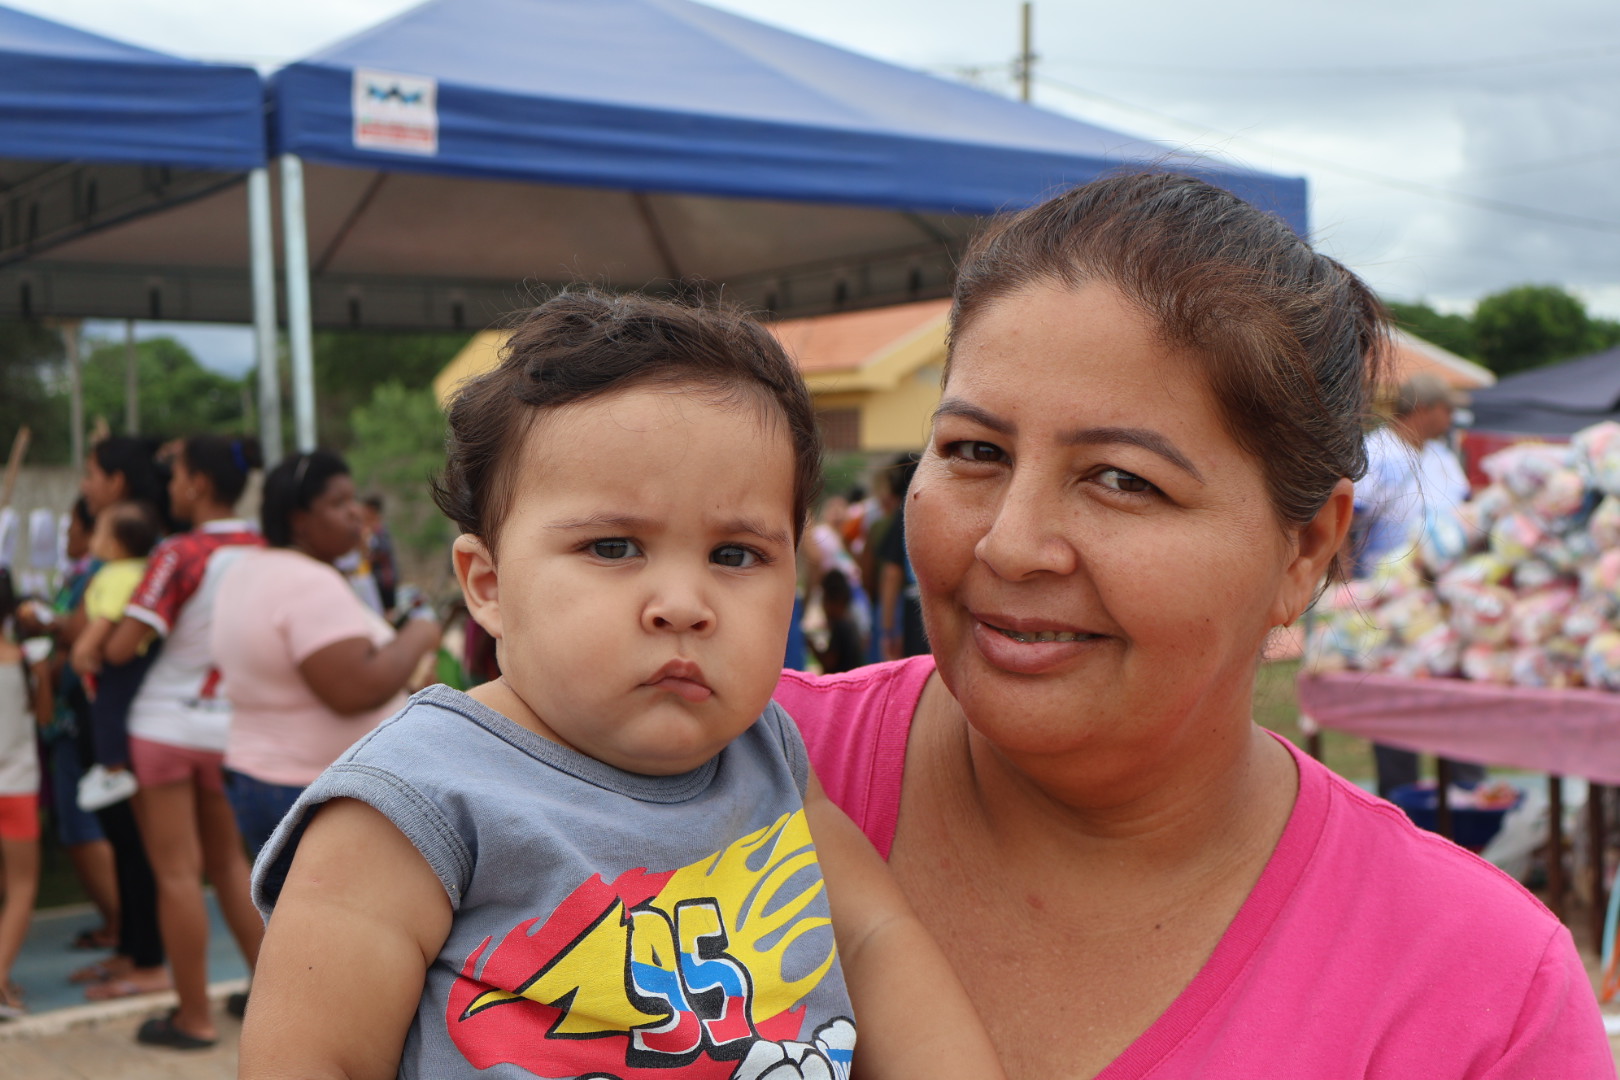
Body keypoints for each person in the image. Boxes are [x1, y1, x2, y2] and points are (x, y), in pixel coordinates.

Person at [772, 172, 1612, 1077]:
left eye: (1124, 479)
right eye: (975, 452)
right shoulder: (707, 768)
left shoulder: (1482, 994)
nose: (1011, 545)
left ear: (1305, 552)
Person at [243, 290, 1005, 1080]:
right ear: (489, 585)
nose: (683, 605)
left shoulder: (766, 754)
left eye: (736, 556)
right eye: (613, 547)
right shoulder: (420, 797)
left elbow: (874, 941)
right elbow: (312, 1057)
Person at [102, 434, 266, 1049]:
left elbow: (122, 647)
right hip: (230, 728)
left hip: (165, 726)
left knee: (176, 875)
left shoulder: (180, 551)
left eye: (175, 478)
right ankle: (267, 997)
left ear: (197, 484)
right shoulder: (265, 548)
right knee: (231, 866)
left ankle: (192, 1017)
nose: (169, 488)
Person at [212, 450, 440, 857]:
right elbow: (354, 689)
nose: (356, 514)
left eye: (353, 500)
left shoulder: (248, 569)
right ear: (298, 519)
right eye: (338, 504)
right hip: (315, 789)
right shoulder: (307, 581)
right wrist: (421, 633)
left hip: (264, 777)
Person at [1354, 372, 1480, 796]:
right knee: (1396, 700)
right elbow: (1344, 522)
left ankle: (1465, 791)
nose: (1452, 418)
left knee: (1458, 696)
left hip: (1450, 599)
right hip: (1391, 601)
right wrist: (1347, 591)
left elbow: (1465, 511)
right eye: (1448, 409)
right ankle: (1398, 796)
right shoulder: (1374, 454)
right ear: (1425, 410)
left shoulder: (1442, 456)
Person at [0, 569, 50, 1019]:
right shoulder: (23, 660)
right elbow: (45, 717)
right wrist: (44, 678)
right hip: (15, 789)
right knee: (20, 888)